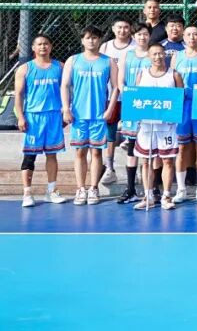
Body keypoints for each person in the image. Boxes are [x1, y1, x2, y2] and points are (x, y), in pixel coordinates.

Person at [62, 26, 119, 206]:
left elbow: (116, 87)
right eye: (88, 38)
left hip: (99, 115)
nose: (92, 41)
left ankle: (93, 188)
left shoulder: (108, 61)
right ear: (82, 40)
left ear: (100, 40)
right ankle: (81, 188)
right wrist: (66, 108)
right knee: (80, 152)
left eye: (95, 37)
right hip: (78, 115)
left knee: (96, 152)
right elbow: (64, 85)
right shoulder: (73, 60)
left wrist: (110, 109)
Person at [14, 35, 67, 207]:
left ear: (51, 46)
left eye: (46, 44)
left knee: (52, 155)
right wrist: (20, 116)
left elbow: (68, 90)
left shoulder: (60, 67)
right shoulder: (24, 69)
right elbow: (19, 95)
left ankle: (51, 191)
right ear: (33, 47)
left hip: (53, 116)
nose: (43, 47)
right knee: (30, 156)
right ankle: (27, 193)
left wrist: (66, 110)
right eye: (39, 44)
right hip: (33, 117)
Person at [132, 44, 185, 210]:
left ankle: (166, 196)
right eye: (154, 54)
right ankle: (148, 196)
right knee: (146, 161)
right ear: (149, 56)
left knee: (167, 161)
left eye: (160, 54)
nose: (158, 57)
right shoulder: (142, 74)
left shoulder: (174, 75)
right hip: (146, 126)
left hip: (166, 126)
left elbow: (180, 98)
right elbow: (135, 97)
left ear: (165, 55)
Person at [173, 21, 197, 203]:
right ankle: (181, 189)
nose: (192, 37)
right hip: (182, 105)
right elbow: (172, 80)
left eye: (195, 34)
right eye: (188, 34)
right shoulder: (177, 56)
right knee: (181, 148)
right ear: (184, 37)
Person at [116, 24, 153, 204]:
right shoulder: (127, 55)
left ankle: (152, 189)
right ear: (134, 36)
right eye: (139, 34)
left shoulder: (154, 55)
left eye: (145, 34)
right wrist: (129, 96)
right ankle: (130, 189)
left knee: (151, 149)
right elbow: (120, 81)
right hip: (132, 104)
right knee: (132, 148)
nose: (142, 37)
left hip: (149, 106)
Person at [101, 16, 133, 188]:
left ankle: (136, 170)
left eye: (126, 27)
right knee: (110, 132)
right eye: (119, 27)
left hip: (131, 96)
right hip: (111, 95)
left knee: (133, 133)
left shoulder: (136, 46)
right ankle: (109, 168)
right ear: (113, 29)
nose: (122, 30)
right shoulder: (106, 47)